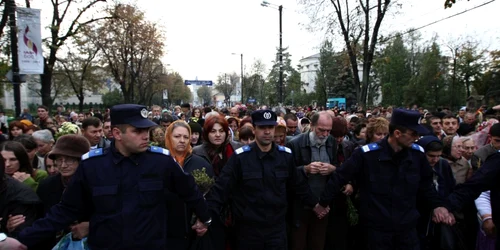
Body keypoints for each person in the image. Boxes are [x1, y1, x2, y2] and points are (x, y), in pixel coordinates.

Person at [17, 104, 211, 249]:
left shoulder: (160, 162)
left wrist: (205, 219)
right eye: (138, 131)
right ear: (117, 133)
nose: (146, 136)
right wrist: (22, 240)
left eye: (147, 130)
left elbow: (189, 191)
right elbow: (66, 209)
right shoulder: (93, 165)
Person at [319, 109, 454, 250]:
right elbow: (340, 177)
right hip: (376, 232)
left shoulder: (417, 155)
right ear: (397, 133)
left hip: (407, 230)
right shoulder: (366, 155)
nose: (416, 138)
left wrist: (437, 205)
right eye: (413, 134)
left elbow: (426, 185)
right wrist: (322, 203)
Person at [206, 110, 328, 250]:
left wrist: (316, 204)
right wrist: (205, 216)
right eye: (262, 128)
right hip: (248, 231)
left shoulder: (285, 157)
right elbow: (221, 189)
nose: (267, 132)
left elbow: (298, 185)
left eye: (270, 127)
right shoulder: (240, 158)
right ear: (255, 129)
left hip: (276, 231)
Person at [164, 120, 214, 249]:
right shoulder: (159, 162)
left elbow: (211, 196)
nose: (182, 140)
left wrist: (202, 219)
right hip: (165, 230)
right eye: (177, 136)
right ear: (168, 137)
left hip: (194, 231)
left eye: (186, 137)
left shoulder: (201, 164)